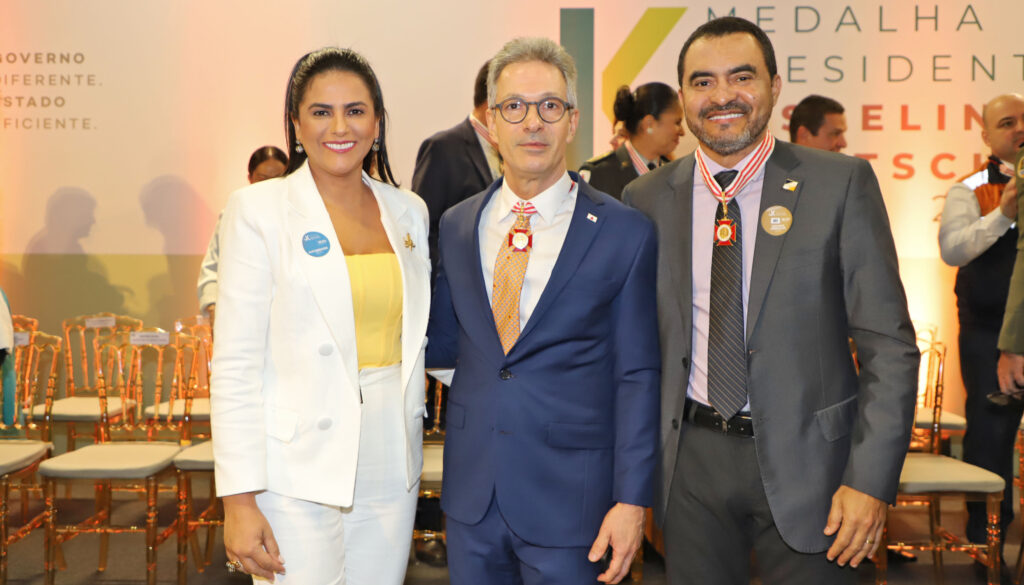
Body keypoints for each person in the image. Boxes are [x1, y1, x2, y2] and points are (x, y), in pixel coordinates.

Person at [622, 17, 918, 584]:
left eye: (742, 77)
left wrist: (869, 480)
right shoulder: (646, 198)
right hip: (690, 471)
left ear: (775, 87)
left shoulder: (841, 183)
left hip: (819, 473)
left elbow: (890, 349)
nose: (723, 96)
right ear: (683, 96)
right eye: (703, 82)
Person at [426, 37, 660, 585]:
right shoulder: (458, 225)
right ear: (490, 123)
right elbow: (445, 347)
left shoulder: (625, 232)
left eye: (549, 106)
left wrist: (631, 501)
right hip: (472, 500)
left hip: (575, 504)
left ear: (572, 120)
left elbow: (637, 375)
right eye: (515, 107)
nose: (533, 122)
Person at [210, 47, 430, 585]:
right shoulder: (257, 210)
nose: (339, 127)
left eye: (355, 111)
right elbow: (234, 364)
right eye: (320, 111)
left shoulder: (409, 211)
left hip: (391, 459)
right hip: (293, 466)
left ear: (377, 123)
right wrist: (238, 499)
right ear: (296, 123)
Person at [940, 93, 1024, 551]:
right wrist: (1002, 215)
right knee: (991, 437)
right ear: (988, 136)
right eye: (1007, 123)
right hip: (989, 335)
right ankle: (985, 542)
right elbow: (953, 249)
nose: (1019, 129)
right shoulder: (970, 187)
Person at [412, 60, 499, 278]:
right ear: (490, 104)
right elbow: (422, 229)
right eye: (513, 104)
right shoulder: (442, 148)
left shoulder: (516, 152)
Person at [197, 146, 288, 327]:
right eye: (263, 178)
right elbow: (212, 268)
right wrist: (213, 308)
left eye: (278, 178)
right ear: (250, 179)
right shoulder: (232, 215)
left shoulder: (300, 216)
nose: (269, 185)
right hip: (243, 315)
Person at [580, 82, 683, 199]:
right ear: (649, 124)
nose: (682, 132)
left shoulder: (676, 176)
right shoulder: (598, 174)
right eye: (677, 123)